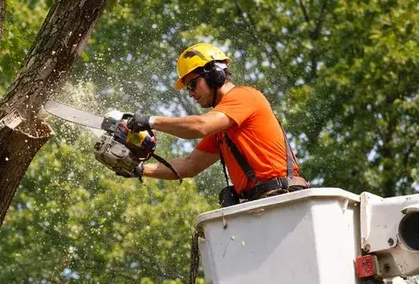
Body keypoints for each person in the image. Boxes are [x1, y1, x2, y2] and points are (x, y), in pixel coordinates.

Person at [124, 43, 308, 205]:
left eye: (192, 85)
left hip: (283, 199)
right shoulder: (223, 129)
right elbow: (189, 165)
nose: (191, 94)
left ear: (214, 76)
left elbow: (200, 126)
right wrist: (137, 168)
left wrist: (150, 121)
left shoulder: (244, 96)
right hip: (262, 203)